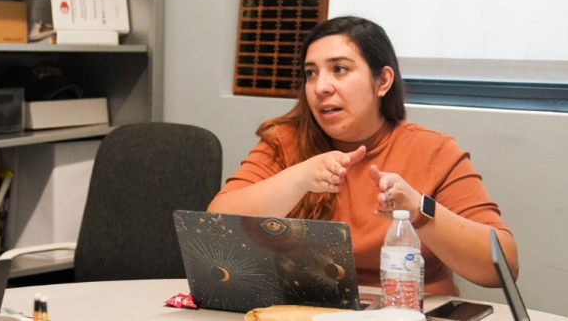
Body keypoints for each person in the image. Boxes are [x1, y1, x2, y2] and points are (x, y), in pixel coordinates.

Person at [208, 16, 518, 296]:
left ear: (382, 81)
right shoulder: (285, 141)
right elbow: (215, 229)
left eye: (339, 69)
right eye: (311, 74)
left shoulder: (433, 150)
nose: (320, 87)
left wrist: (419, 211)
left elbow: (502, 265)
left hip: (408, 310)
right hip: (307, 309)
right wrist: (298, 178)